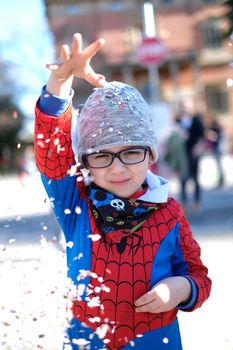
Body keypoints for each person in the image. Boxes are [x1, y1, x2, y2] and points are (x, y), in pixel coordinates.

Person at [34, 33, 211, 350]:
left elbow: (198, 275)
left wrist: (180, 287)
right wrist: (58, 84)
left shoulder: (169, 213)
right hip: (88, 337)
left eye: (131, 153)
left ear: (151, 154)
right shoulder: (76, 205)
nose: (117, 168)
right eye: (102, 155)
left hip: (156, 338)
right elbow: (52, 154)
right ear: (86, 162)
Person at [176, 100, 205, 212]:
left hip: (194, 154)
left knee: (195, 178)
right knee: (182, 179)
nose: (186, 109)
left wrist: (198, 147)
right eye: (184, 107)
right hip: (181, 155)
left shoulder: (196, 120)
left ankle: (197, 202)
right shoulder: (177, 121)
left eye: (188, 107)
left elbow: (202, 136)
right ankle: (184, 203)